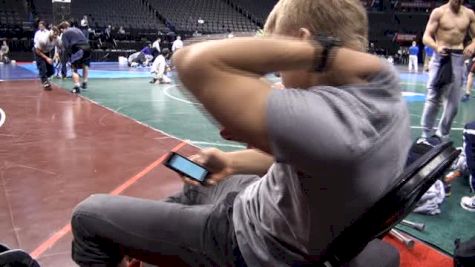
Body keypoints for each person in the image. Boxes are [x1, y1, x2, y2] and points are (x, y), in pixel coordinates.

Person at [70, 0, 411, 266]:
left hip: (245, 243)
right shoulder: (384, 95)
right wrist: (231, 163)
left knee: (88, 217)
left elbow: (191, 61)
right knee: (193, 189)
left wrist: (318, 52)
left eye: (281, 57)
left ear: (304, 46)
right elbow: (310, 161)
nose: (277, 76)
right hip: (272, 210)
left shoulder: (330, 123)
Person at [420, 0, 475, 143]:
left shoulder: (469, 14)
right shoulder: (439, 12)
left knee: (454, 104)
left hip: (459, 58)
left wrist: (473, 45)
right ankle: (426, 135)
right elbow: (426, 37)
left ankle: (442, 134)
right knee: (433, 99)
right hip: (441, 58)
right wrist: (436, 46)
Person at [58, 21, 91, 94]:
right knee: (85, 65)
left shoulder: (65, 34)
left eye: (61, 30)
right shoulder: (77, 29)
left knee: (74, 68)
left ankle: (77, 87)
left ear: (62, 29)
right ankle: (85, 82)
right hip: (87, 47)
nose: (61, 31)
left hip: (78, 48)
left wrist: (67, 59)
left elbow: (66, 47)